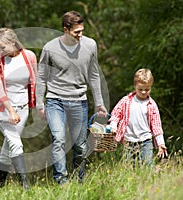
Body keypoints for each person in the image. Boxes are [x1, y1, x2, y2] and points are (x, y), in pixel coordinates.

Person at [35, 11, 107, 185]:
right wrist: (39, 104)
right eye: (77, 32)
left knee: (80, 146)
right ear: (65, 30)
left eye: (82, 30)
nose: (80, 35)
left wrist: (99, 103)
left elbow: (94, 75)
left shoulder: (90, 45)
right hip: (55, 100)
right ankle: (61, 181)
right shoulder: (50, 48)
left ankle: (79, 180)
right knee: (58, 139)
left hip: (79, 100)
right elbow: (42, 76)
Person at [0, 27, 37, 190]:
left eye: (3, 47)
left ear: (13, 42)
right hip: (2, 109)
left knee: (8, 148)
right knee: (16, 144)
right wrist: (10, 110)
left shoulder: (29, 56)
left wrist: (39, 106)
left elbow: (35, 82)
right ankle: (26, 187)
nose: (0, 51)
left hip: (23, 108)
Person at [109, 68, 168, 167]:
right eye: (140, 89)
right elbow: (116, 114)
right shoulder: (126, 101)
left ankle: (149, 181)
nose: (144, 92)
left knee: (147, 165)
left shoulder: (151, 105)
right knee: (129, 166)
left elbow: (156, 125)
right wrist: (113, 125)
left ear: (151, 87)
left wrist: (161, 143)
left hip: (145, 140)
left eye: (147, 89)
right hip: (129, 140)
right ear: (135, 86)